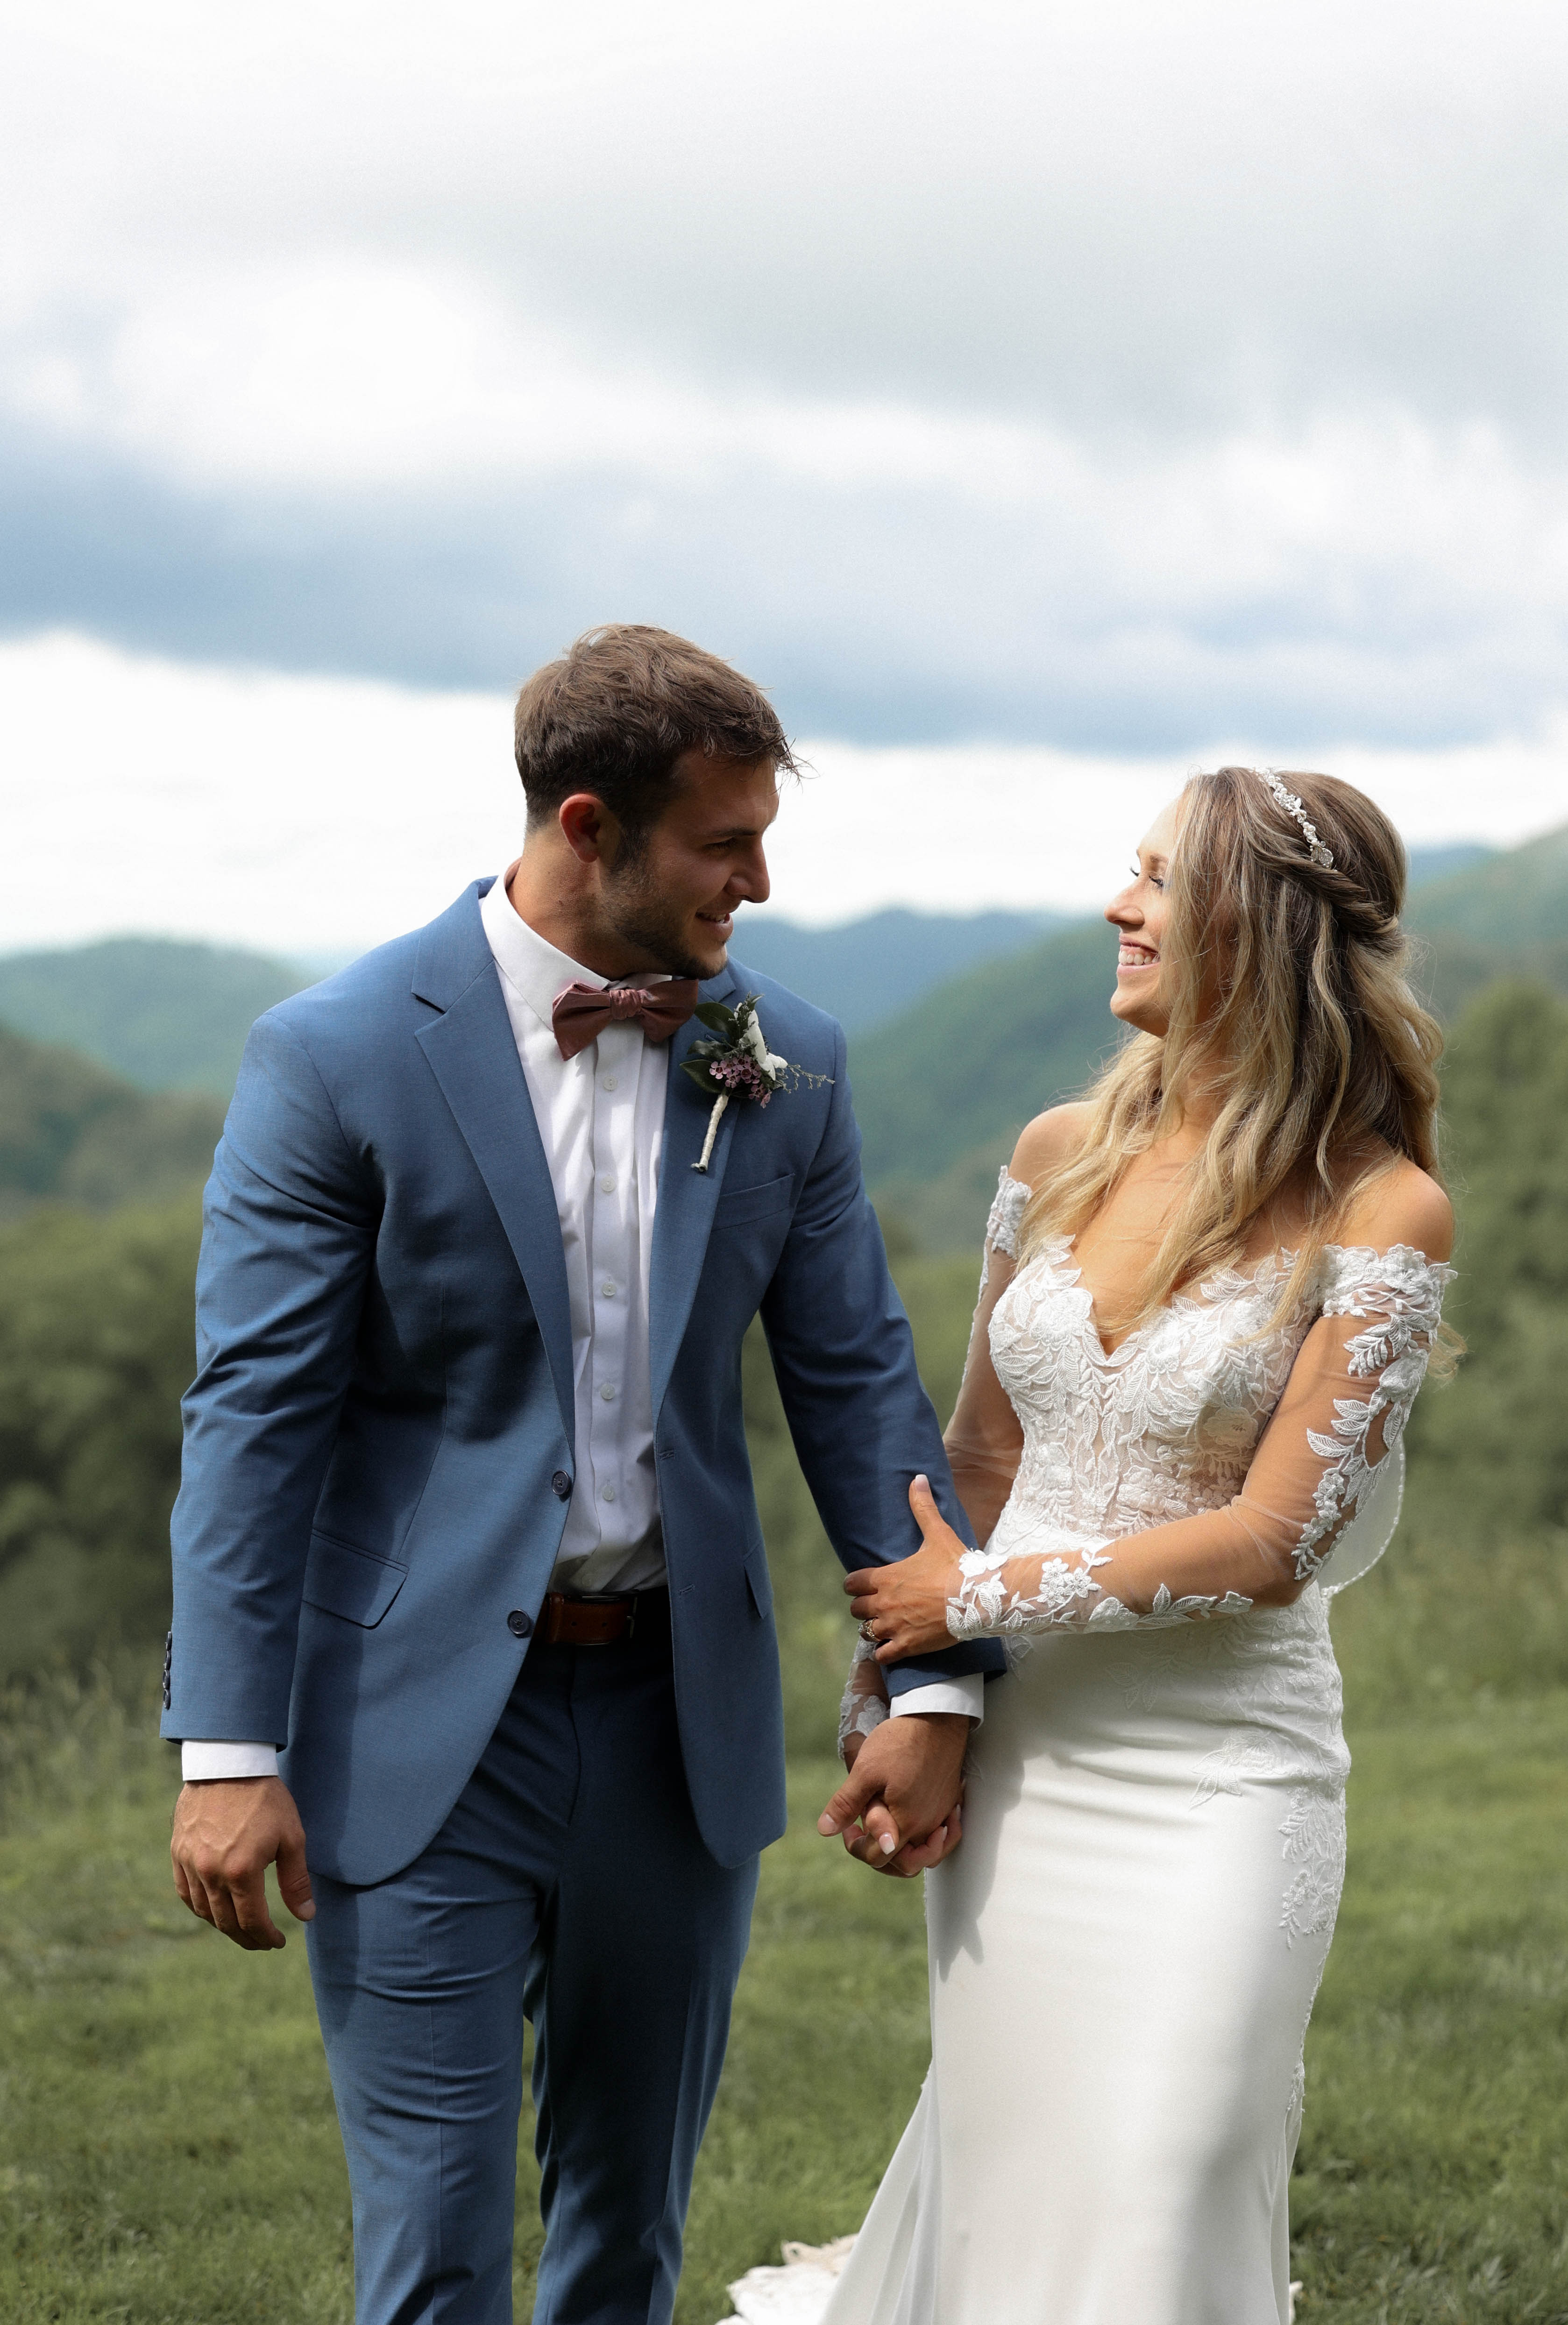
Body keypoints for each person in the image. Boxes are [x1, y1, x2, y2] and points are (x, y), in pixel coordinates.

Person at [161, 624, 1001, 2325]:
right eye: (724, 842)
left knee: (626, 2236)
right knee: (438, 2245)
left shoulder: (787, 1060)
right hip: (413, 1727)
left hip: (674, 1721)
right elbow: (255, 1417)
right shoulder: (336, 1053)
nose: (759, 883)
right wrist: (229, 1747)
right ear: (589, 824)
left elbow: (857, 1383)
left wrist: (937, 1679)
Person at [825, 766, 1455, 2325]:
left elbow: (1272, 1540)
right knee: (1017, 2177)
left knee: (1166, 2174)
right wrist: (917, 1695)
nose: (1124, 905)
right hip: (1027, 1754)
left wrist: (972, 1593)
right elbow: (977, 1453)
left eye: (1165, 879)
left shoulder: (1383, 1210)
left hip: (1219, 1768)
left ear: (1264, 927)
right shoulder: (1059, 1152)